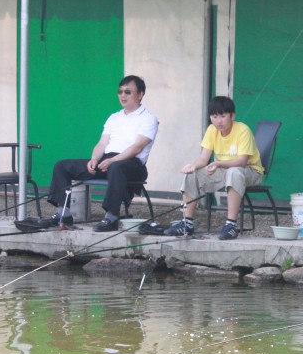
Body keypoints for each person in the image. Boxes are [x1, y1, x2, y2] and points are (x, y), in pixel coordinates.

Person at [40, 75, 159, 232]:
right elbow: (102, 143)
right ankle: (63, 215)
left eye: (128, 92)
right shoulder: (114, 117)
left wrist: (113, 160)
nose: (123, 95)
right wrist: (94, 158)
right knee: (62, 166)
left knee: (116, 167)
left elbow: (137, 147)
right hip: (107, 161)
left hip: (132, 164)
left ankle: (111, 217)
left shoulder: (148, 118)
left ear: (140, 94)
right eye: (120, 91)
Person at [164, 96, 264, 241]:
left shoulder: (243, 130)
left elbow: (242, 161)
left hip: (250, 171)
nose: (218, 121)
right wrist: (193, 166)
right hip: (224, 170)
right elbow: (203, 159)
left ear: (232, 116)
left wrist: (218, 164)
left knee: (234, 172)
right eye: (214, 116)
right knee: (193, 174)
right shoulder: (212, 130)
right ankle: (187, 223)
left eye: (223, 116)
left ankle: (231, 225)